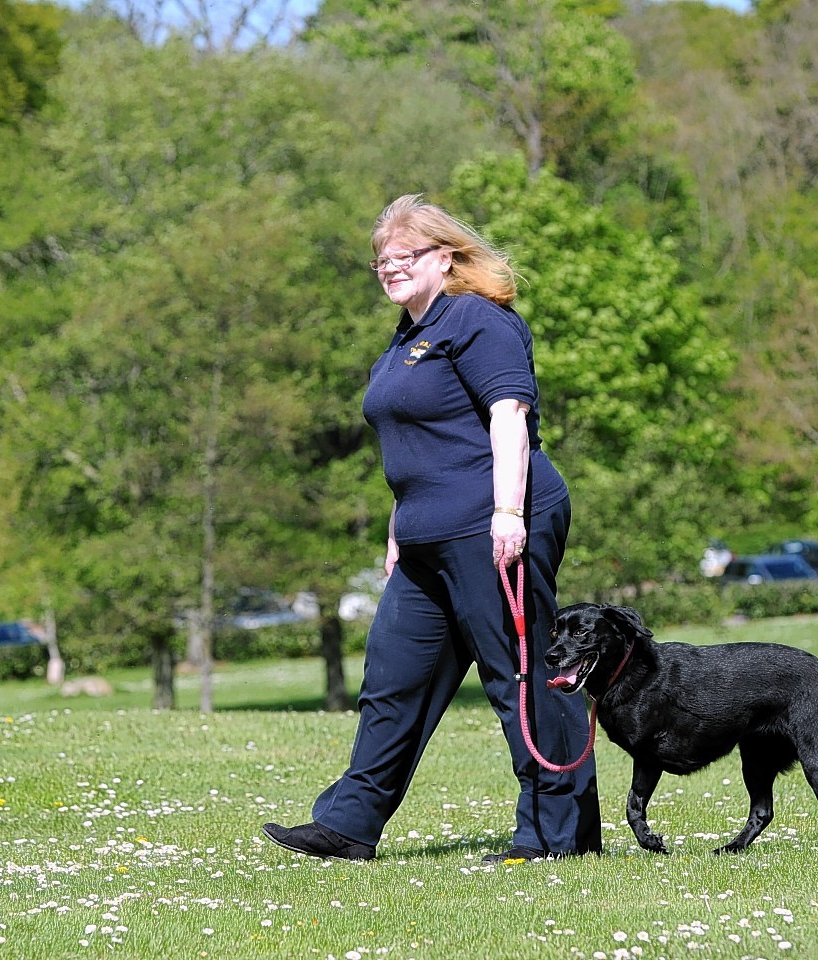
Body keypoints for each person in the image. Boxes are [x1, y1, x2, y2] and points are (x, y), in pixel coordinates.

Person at [262, 194, 601, 863]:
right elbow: (416, 445)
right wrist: (398, 531)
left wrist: (508, 514)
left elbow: (509, 418)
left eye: (405, 257)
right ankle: (349, 825)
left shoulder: (477, 321)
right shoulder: (406, 336)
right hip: (424, 538)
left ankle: (556, 836)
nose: (390, 269)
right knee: (394, 677)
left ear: (444, 258)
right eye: (381, 260)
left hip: (494, 520)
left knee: (521, 676)